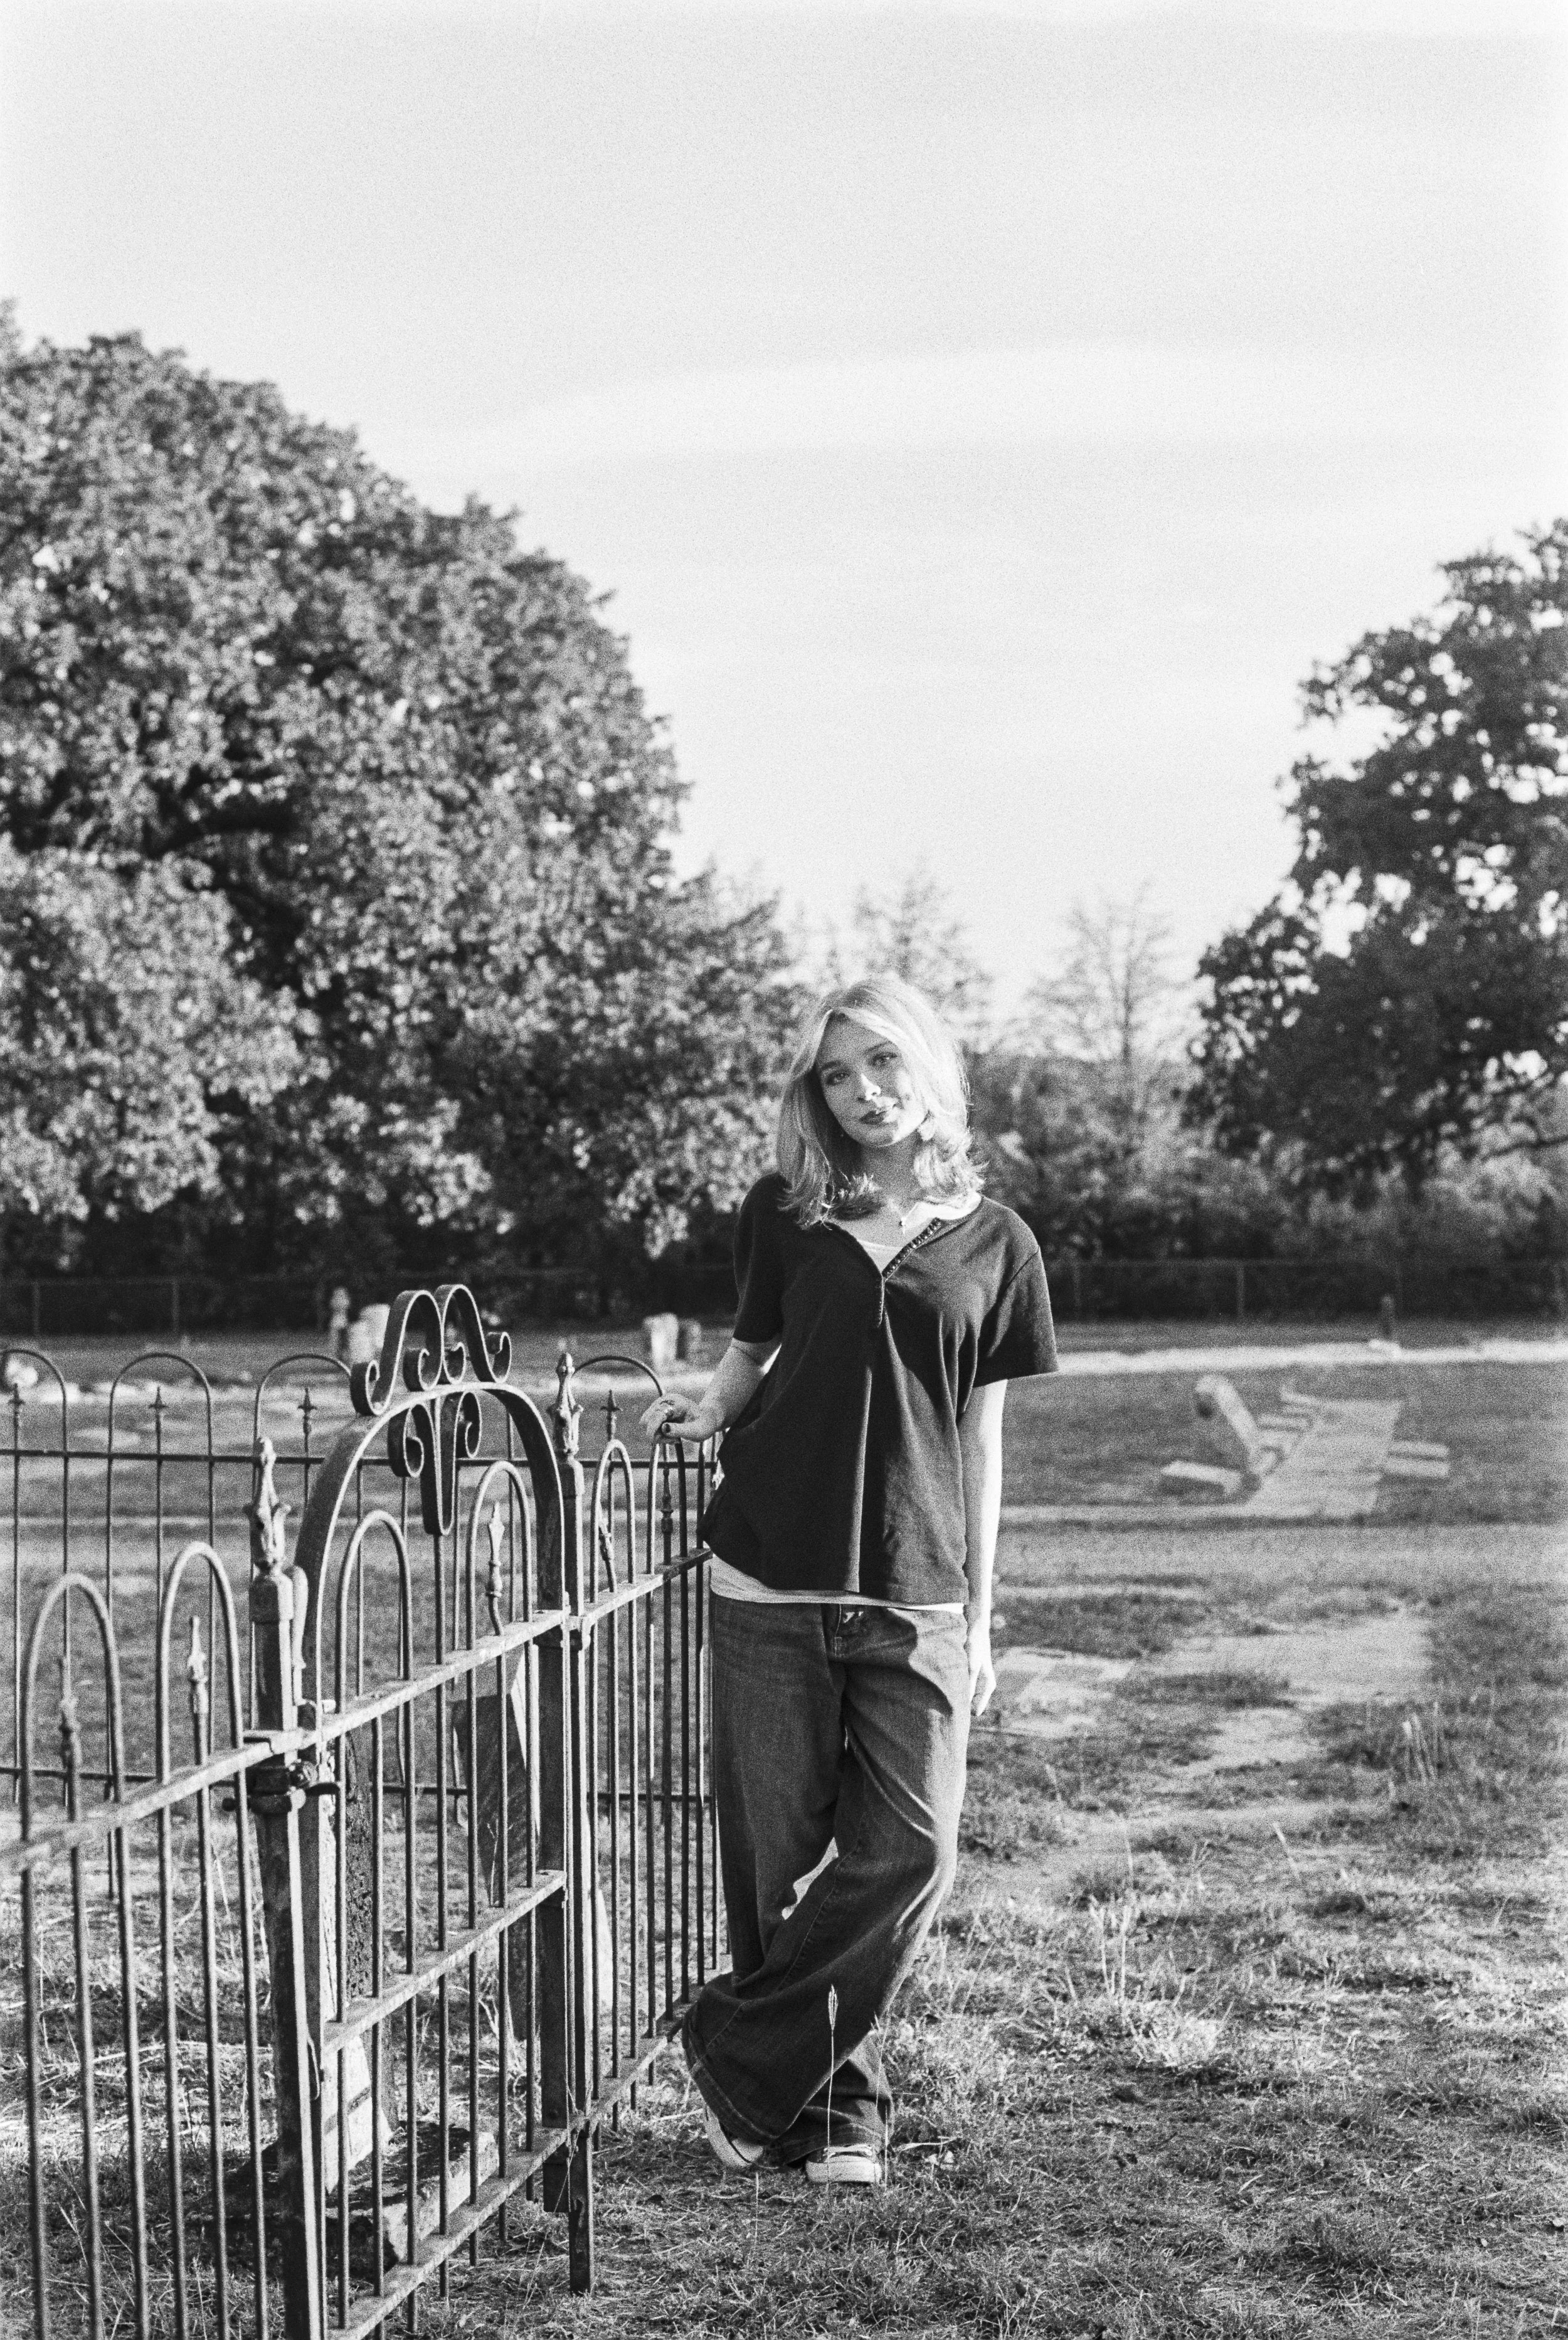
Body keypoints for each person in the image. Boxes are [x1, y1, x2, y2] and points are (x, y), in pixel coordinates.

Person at [640, 972, 1057, 2186]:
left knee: (912, 1855)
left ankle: (731, 2039)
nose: (864, 1094)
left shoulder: (1000, 1242)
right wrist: (708, 1407)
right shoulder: (785, 1209)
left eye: (882, 1063)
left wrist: (981, 1614)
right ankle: (834, 2111)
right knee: (773, 1864)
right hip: (767, 1573)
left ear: (931, 1065)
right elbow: (753, 1354)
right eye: (836, 1074)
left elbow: (980, 1437)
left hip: (916, 1591)